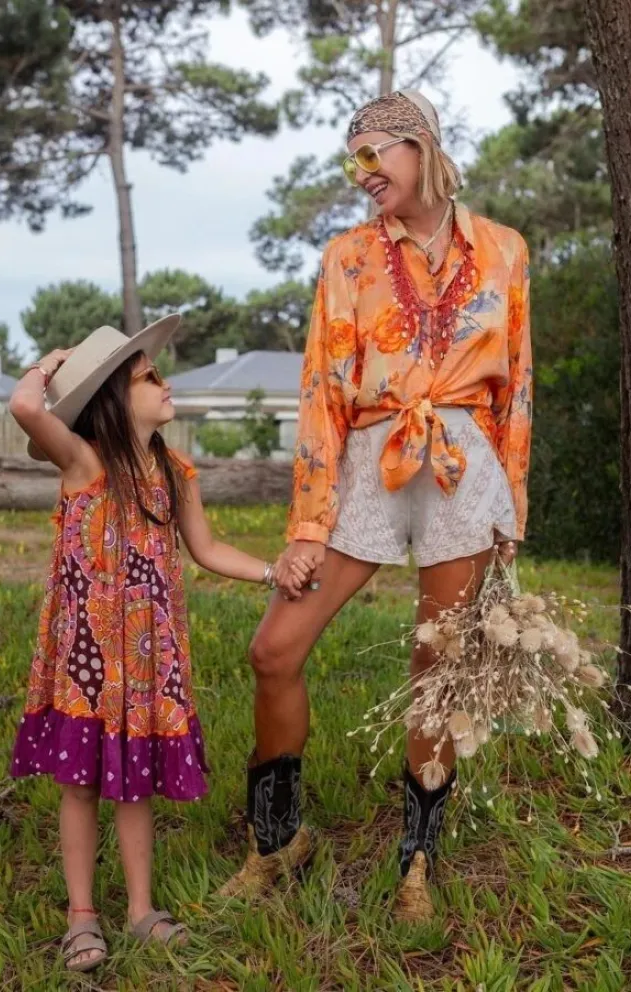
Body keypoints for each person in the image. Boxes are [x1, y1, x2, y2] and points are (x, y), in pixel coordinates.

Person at [220, 90, 532, 922]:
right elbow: (321, 392)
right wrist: (307, 526)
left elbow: (518, 388)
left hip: (464, 467)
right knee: (274, 650)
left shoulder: (504, 250)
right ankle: (277, 839)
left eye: (371, 154)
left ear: (419, 145)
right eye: (350, 159)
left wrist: (512, 507)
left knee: (437, 670)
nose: (360, 173)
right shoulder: (348, 257)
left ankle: (416, 862)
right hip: (369, 458)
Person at [8, 319, 311, 972]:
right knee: (80, 785)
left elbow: (207, 548)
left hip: (147, 659)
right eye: (149, 377)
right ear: (113, 400)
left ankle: (141, 910)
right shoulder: (83, 459)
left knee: (134, 785)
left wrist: (273, 572)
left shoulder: (174, 472)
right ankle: (82, 916)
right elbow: (26, 407)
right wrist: (49, 363)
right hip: (88, 664)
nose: (166, 383)